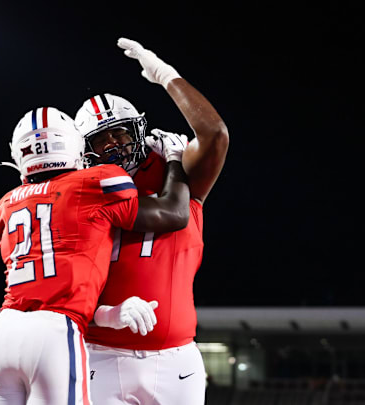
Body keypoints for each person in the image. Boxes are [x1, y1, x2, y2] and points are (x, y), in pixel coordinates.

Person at [0, 106, 191, 405]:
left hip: (2, 331)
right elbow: (172, 214)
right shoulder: (96, 183)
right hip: (53, 330)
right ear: (73, 144)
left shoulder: (2, 206)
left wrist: (106, 314)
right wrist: (174, 159)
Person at [74, 38, 229, 405]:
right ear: (83, 149)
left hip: (176, 358)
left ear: (139, 130)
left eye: (120, 132)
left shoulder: (170, 168)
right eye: (101, 138)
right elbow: (67, 284)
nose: (114, 144)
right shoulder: (81, 191)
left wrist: (166, 76)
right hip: (100, 351)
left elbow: (215, 134)